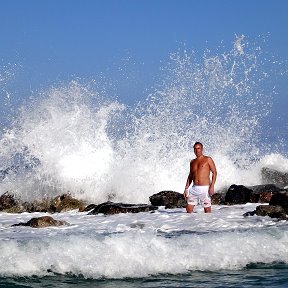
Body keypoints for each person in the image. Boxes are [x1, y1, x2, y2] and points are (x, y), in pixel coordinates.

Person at [183, 142, 217, 213]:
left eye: (198, 148)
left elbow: (214, 172)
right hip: (194, 188)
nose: (196, 150)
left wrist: (212, 186)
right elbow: (190, 176)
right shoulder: (192, 162)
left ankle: (207, 224)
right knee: (188, 210)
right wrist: (186, 189)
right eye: (195, 149)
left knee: (207, 211)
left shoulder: (208, 159)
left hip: (205, 189)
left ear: (202, 149)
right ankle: (192, 223)